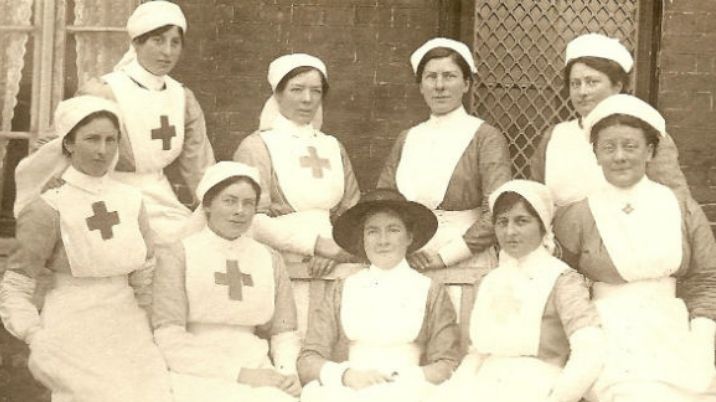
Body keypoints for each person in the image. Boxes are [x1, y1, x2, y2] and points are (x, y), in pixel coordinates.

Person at [0, 96, 172, 402]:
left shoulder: (131, 200)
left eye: (111, 140)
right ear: (68, 144)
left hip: (129, 325)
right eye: (92, 139)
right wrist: (34, 335)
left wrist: (154, 325)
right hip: (71, 326)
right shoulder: (48, 207)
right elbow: (15, 285)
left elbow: (145, 277)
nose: (102, 150)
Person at [554, 94, 716, 402]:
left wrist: (702, 338)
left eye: (630, 146)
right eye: (608, 147)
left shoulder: (681, 207)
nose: (619, 157)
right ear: (596, 155)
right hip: (610, 333)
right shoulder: (579, 215)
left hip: (673, 331)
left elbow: (707, 276)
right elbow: (563, 281)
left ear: (650, 151)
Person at [436, 179, 604, 402]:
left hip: (537, 387)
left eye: (521, 221)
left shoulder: (562, 280)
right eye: (502, 222)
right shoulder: (489, 281)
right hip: (484, 386)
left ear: (542, 225)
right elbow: (476, 354)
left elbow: (590, 351)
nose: (510, 231)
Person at [152, 161, 301, 402]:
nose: (240, 211)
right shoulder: (179, 254)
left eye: (248, 203)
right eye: (229, 201)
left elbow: (284, 331)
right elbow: (168, 337)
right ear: (208, 205)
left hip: (258, 364)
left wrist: (287, 372)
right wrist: (240, 374)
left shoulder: (269, 258)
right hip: (195, 370)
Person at [297, 188, 461, 402]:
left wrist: (408, 378)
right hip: (351, 390)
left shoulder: (430, 290)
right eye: (372, 231)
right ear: (362, 239)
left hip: (409, 389)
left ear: (409, 236)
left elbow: (447, 362)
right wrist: (346, 376)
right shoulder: (343, 289)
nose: (383, 240)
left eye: (393, 229)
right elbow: (309, 359)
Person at [77, 0, 214, 244]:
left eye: (175, 42)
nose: (168, 52)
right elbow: (61, 147)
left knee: (195, 242)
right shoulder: (105, 91)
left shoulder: (183, 97)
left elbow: (199, 165)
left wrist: (214, 204)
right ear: (137, 43)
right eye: (158, 40)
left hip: (160, 196)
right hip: (108, 191)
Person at [378, 37, 511, 272]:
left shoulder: (485, 137)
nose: (439, 86)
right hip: (409, 261)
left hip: (466, 261)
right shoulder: (407, 138)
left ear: (467, 83)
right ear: (420, 86)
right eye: (431, 77)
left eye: (449, 76)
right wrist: (405, 250)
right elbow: (383, 205)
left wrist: (445, 256)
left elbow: (498, 211)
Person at [233, 53, 360, 277]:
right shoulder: (256, 147)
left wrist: (339, 248)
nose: (307, 99)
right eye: (297, 89)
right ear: (278, 94)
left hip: (334, 260)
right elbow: (252, 220)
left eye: (316, 91)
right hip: (279, 259)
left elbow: (353, 213)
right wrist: (317, 245)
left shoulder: (333, 146)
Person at [531, 33, 688, 207]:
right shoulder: (555, 136)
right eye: (575, 83)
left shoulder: (647, 134)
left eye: (592, 82)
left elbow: (675, 202)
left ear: (617, 86)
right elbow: (536, 200)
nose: (582, 91)